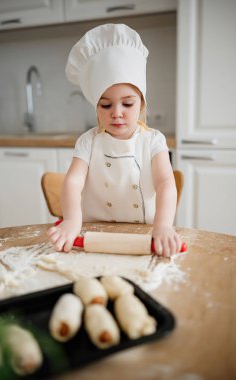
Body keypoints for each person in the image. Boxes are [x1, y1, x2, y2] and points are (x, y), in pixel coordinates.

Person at [48, 23, 181, 257]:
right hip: (94, 234)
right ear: (95, 107)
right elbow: (73, 182)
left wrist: (163, 225)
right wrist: (71, 220)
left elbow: (165, 184)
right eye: (106, 105)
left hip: (145, 235)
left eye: (127, 103)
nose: (116, 112)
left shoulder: (153, 141)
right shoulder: (88, 141)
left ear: (141, 103)